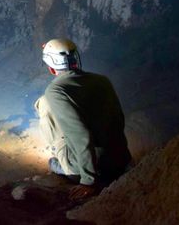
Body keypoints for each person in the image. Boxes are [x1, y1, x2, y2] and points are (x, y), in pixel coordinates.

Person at [34, 38, 131, 200]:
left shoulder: (56, 91)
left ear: (51, 69)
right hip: (120, 160)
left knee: (43, 104)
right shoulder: (102, 80)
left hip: (93, 171)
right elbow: (119, 120)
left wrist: (88, 181)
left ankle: (60, 161)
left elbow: (81, 136)